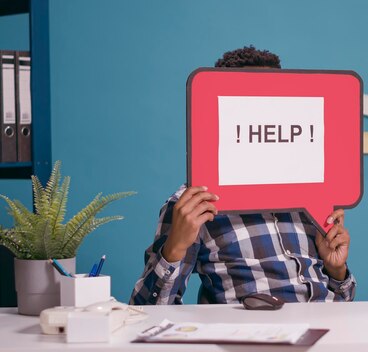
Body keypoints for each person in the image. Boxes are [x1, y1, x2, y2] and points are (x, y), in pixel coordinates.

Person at [130, 46, 356, 305]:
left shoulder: (312, 193)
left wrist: (336, 270)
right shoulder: (194, 204)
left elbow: (343, 302)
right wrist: (173, 249)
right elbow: (146, 311)